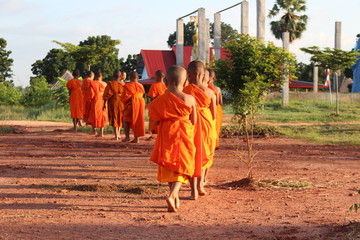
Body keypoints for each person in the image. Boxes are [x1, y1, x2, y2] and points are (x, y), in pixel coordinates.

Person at [149, 65, 197, 212]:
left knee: (170, 163)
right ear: (185, 82)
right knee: (183, 165)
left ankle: (174, 198)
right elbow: (194, 120)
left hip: (167, 133)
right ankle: (173, 195)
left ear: (165, 81)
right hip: (184, 133)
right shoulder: (189, 98)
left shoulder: (159, 100)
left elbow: (155, 120)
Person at [183, 61, 216, 200]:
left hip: (191, 125)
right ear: (203, 75)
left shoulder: (185, 92)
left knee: (192, 155)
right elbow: (214, 114)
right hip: (207, 126)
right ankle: (200, 185)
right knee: (204, 155)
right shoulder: (210, 92)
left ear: (189, 74)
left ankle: (193, 191)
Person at [121, 71, 145, 143]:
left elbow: (124, 97)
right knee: (138, 119)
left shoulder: (127, 85)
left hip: (131, 103)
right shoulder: (141, 85)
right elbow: (142, 94)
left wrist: (127, 102)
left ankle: (127, 137)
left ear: (130, 78)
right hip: (140, 103)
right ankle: (136, 138)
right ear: (137, 78)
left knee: (125, 120)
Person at [103, 70, 125, 140]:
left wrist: (104, 103)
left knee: (114, 117)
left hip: (114, 101)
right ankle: (118, 134)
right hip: (122, 101)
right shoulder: (123, 84)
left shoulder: (111, 83)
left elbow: (107, 94)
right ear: (121, 76)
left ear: (113, 76)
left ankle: (116, 135)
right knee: (120, 116)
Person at [147, 70, 167, 139]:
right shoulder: (166, 85)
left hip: (157, 105)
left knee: (155, 120)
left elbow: (152, 97)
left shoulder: (154, 85)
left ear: (157, 76)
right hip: (164, 106)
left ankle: (155, 135)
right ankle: (161, 134)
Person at [87, 72, 107, 137]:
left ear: (95, 77)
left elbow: (91, 94)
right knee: (102, 115)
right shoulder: (105, 84)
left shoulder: (92, 83)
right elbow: (106, 94)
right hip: (103, 100)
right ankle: (101, 133)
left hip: (95, 100)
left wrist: (89, 99)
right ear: (102, 77)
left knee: (94, 114)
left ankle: (94, 131)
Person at [207, 68, 223, 150]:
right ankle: (215, 143)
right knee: (215, 126)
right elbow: (220, 102)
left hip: (213, 109)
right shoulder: (218, 89)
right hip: (217, 109)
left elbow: (217, 102)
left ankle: (214, 143)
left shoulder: (208, 89)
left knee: (214, 126)